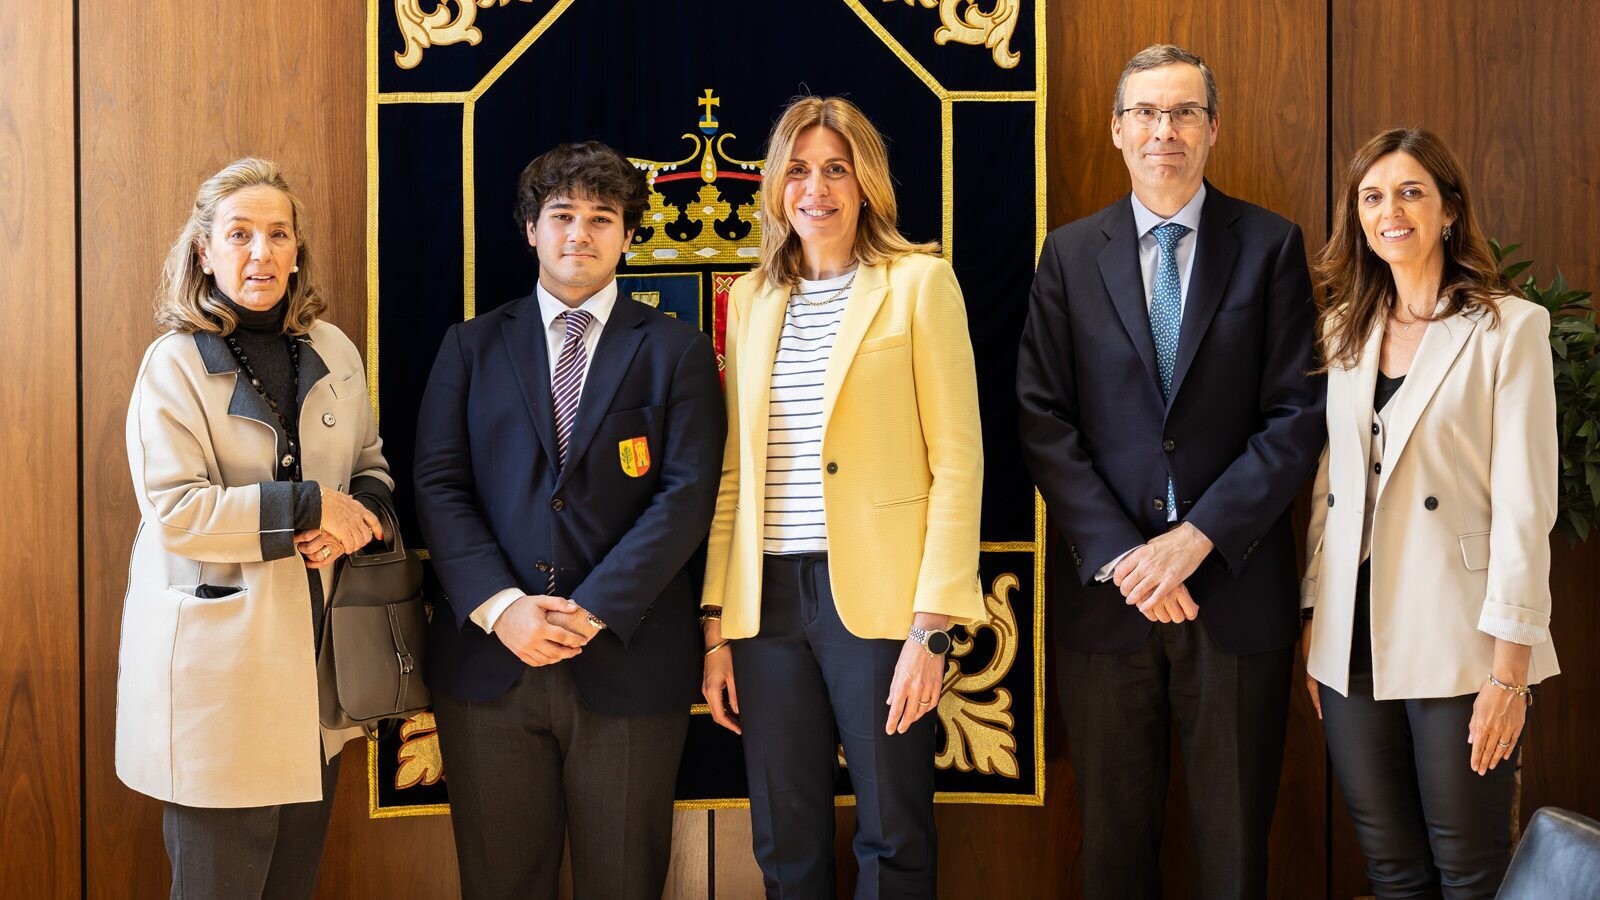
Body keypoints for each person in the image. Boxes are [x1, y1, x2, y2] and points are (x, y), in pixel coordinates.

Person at [1015, 44, 1326, 898]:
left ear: (1213, 129)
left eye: (1184, 112)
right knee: (1113, 852)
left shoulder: (1270, 246)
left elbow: (1296, 419)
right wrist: (1129, 556)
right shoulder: (1070, 256)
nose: (1165, 130)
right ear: (1117, 131)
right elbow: (1043, 419)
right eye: (1146, 112)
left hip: (1232, 591)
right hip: (1106, 605)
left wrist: (1194, 541)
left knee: (1234, 854)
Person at [413, 140, 725, 899]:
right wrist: (504, 607)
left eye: (601, 217)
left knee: (624, 881)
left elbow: (685, 495)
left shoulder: (677, 351)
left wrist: (591, 610)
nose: (578, 233)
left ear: (626, 235)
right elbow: (439, 485)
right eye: (561, 215)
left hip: (627, 660)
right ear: (530, 229)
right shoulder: (471, 346)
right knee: (501, 883)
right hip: (491, 665)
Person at [699, 95, 985, 899]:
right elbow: (734, 475)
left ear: (866, 185)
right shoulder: (751, 300)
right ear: (775, 186)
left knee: (893, 833)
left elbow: (958, 462)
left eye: (835, 169)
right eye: (798, 170)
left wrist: (932, 627)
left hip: (882, 603)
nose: (815, 189)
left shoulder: (920, 283)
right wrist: (717, 626)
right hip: (766, 606)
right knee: (784, 838)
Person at [117, 156, 391, 899]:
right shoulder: (172, 364)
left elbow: (370, 465)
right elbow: (176, 511)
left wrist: (354, 522)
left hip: (316, 675)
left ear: (297, 249)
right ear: (204, 250)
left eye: (277, 234)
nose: (260, 253)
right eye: (238, 235)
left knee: (290, 887)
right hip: (219, 685)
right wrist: (309, 507)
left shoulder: (333, 349)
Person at [1301, 127, 1559, 899]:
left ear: (1448, 209)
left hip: (1462, 637)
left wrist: (1509, 672)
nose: (1391, 211)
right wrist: (1315, 606)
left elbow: (1525, 503)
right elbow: (1330, 481)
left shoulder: (1509, 328)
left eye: (1410, 192)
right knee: (1391, 873)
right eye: (1372, 197)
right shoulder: (1342, 329)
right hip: (1351, 636)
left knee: (1471, 871)